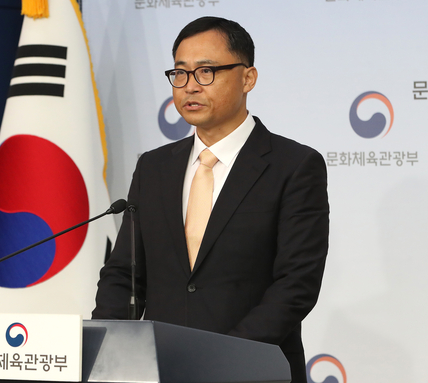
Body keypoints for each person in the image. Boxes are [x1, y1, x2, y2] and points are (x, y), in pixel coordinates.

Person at [92, 16, 329, 383]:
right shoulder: (154, 167)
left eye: (206, 71)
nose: (190, 87)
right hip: (157, 370)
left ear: (248, 78)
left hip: (251, 371)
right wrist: (105, 352)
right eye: (181, 74)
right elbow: (125, 274)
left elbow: (296, 285)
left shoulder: (294, 166)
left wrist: (220, 360)